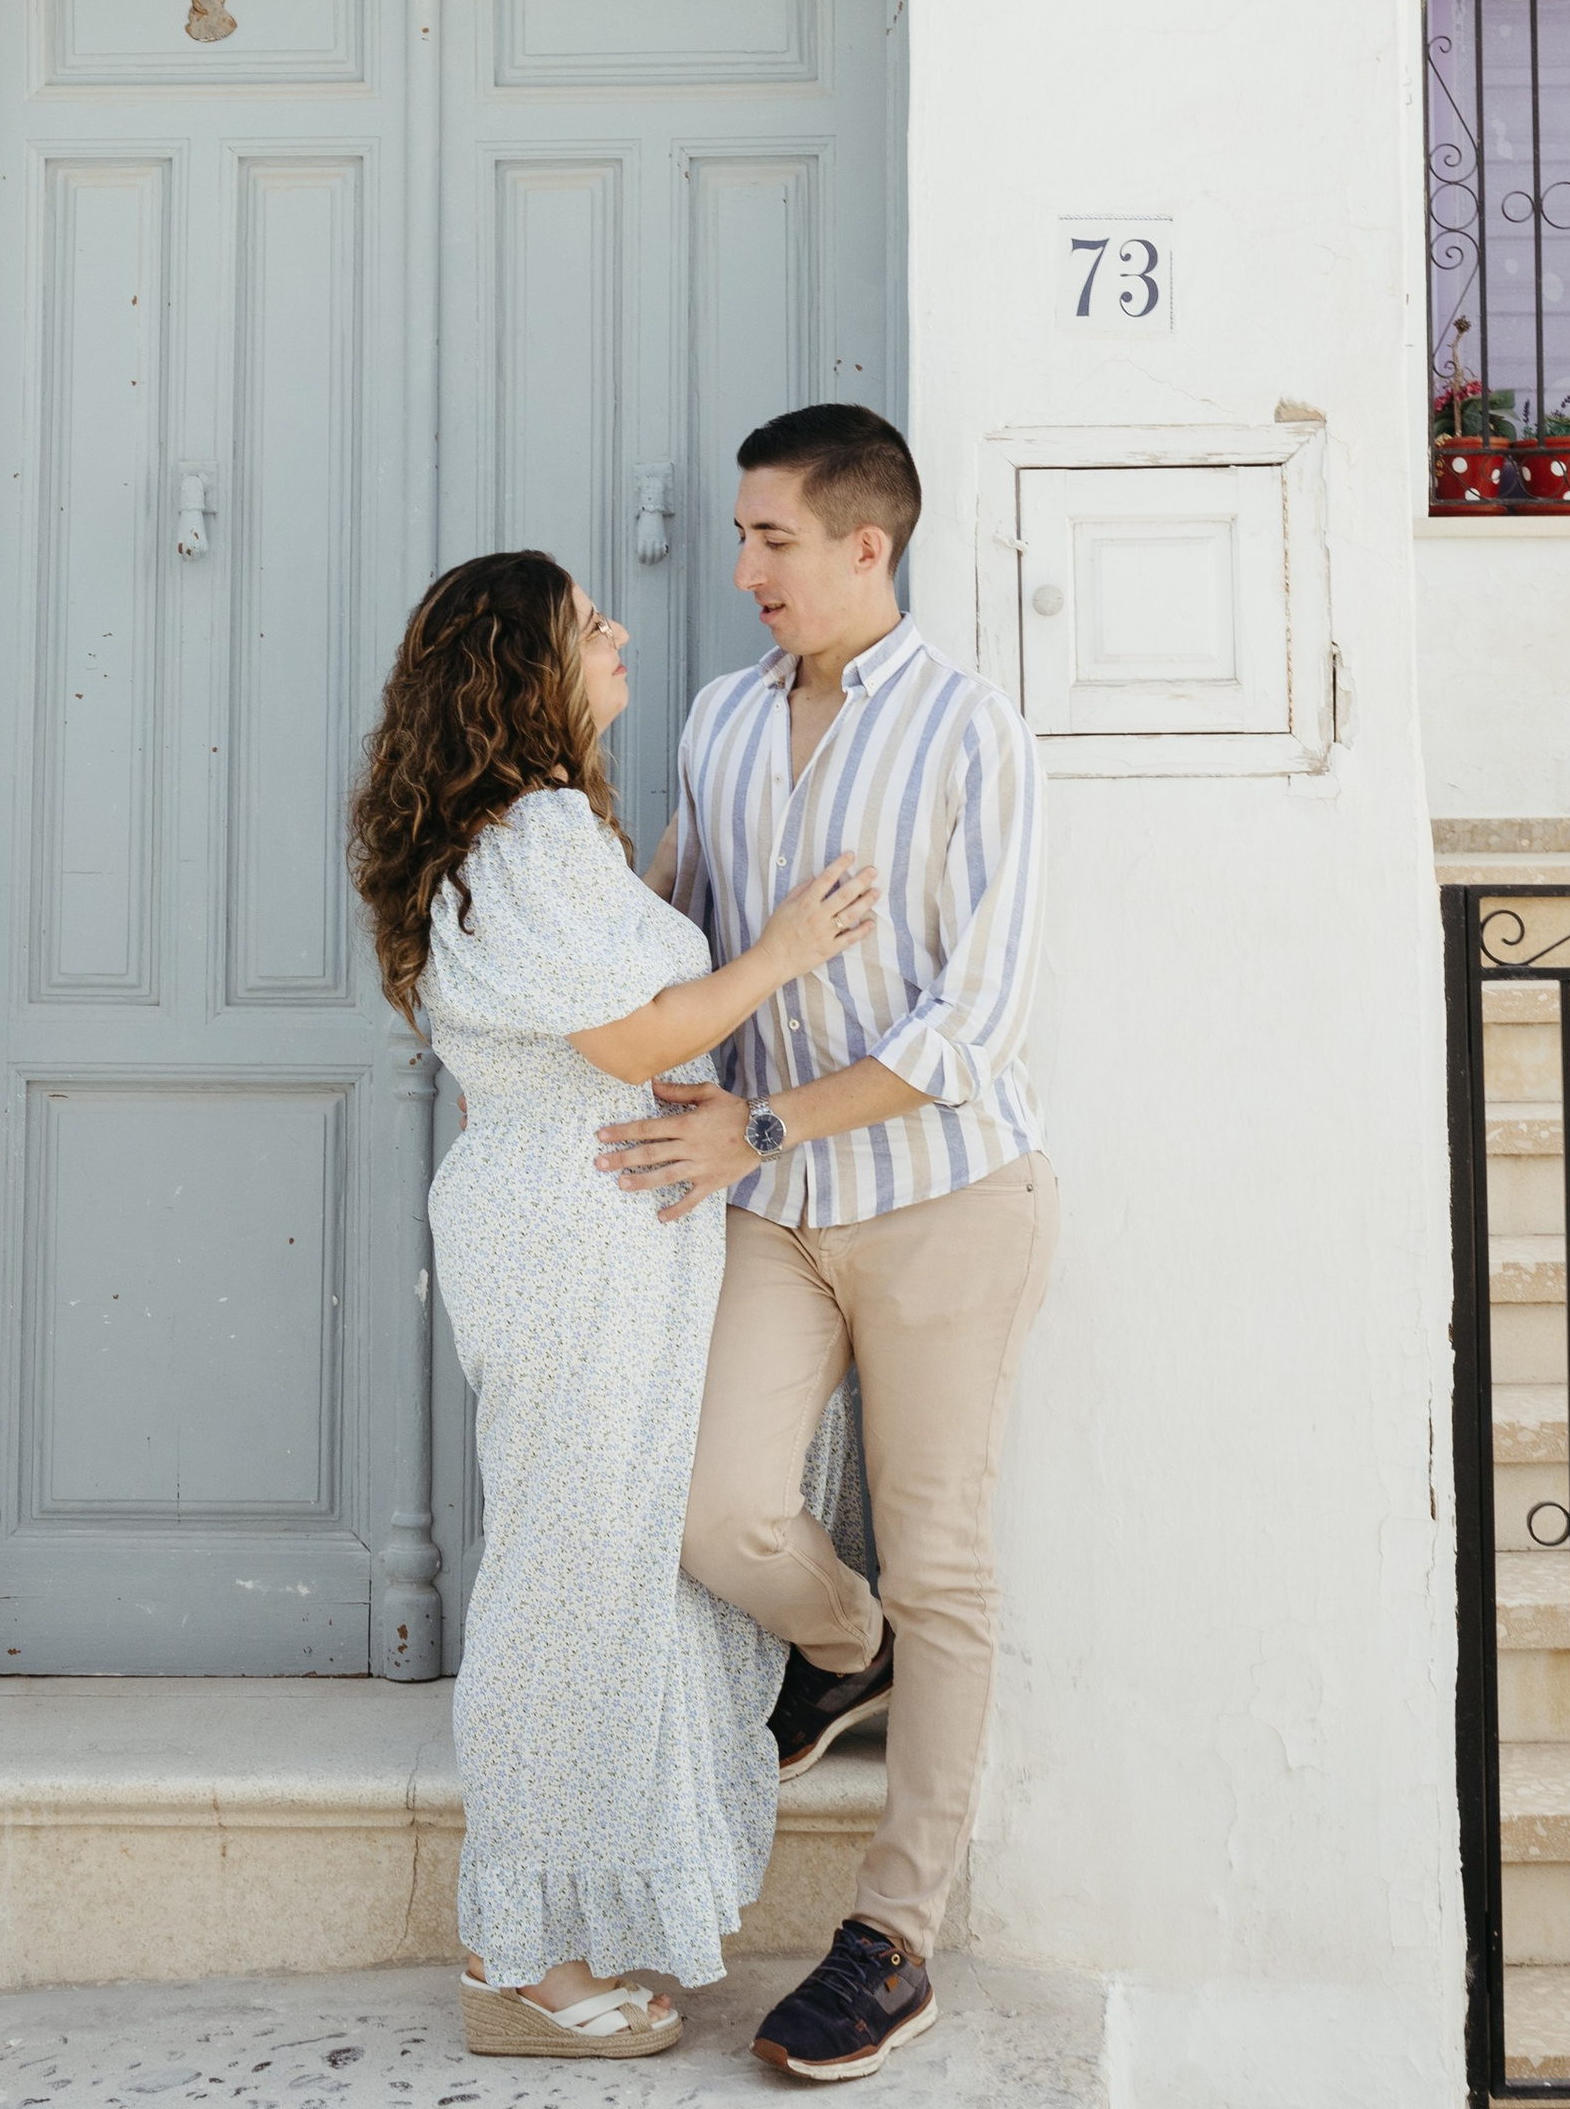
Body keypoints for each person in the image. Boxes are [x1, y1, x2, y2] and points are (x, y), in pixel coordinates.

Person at [345, 548, 878, 2062]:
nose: (620, 633)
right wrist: (784, 951)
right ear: (528, 666)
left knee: (605, 1571)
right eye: (590, 623)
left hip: (598, 1227)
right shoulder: (531, 837)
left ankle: (558, 1928)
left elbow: (604, 1035)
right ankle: (512, 1957)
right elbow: (627, 1023)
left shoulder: (529, 838)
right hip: (575, 1245)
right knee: (562, 1589)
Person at [597, 403, 1056, 2083]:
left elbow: (973, 1031)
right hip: (776, 1216)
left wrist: (762, 1125)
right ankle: (836, 1647)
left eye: (773, 539)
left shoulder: (972, 733)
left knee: (947, 1567)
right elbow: (687, 938)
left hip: (942, 1201)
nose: (744, 571)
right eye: (741, 537)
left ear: (872, 545)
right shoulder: (719, 719)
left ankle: (894, 1936)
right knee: (717, 1517)